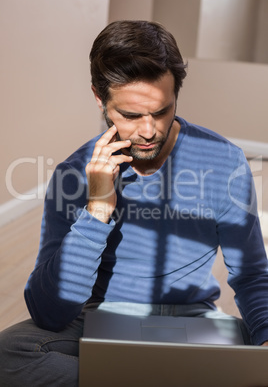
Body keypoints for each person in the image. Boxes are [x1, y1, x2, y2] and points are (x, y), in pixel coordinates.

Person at [0, 20, 268, 386]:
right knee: (11, 352)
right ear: (99, 97)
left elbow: (252, 275)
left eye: (161, 111)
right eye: (130, 116)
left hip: (191, 319)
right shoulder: (74, 174)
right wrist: (97, 209)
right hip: (102, 318)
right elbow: (50, 312)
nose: (147, 130)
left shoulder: (225, 161)